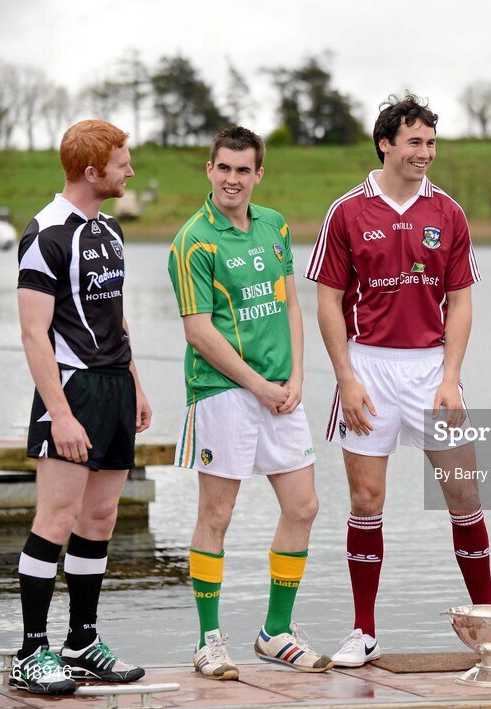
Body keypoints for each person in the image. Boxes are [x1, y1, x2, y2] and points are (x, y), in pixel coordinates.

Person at [307, 93, 491, 668]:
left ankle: (488, 624)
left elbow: (460, 302)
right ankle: (363, 631)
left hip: (431, 369)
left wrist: (452, 377)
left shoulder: (449, 213)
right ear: (385, 144)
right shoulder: (347, 212)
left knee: (464, 494)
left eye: (431, 143)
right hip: (368, 368)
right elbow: (328, 302)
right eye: (415, 142)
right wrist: (346, 378)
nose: (425, 153)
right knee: (367, 500)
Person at [167, 126, 331, 680]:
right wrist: (257, 385)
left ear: (258, 174)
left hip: (281, 392)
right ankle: (209, 641)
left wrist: (299, 374)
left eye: (244, 170)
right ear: (209, 170)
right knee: (217, 514)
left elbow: (288, 304)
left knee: (303, 506)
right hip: (222, 394)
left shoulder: (275, 224)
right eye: (224, 168)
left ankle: (275, 633)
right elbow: (198, 332)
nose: (233, 179)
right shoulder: (193, 240)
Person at [13, 119, 150, 695]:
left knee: (100, 520)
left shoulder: (111, 229)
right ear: (92, 171)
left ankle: (82, 641)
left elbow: (114, 316)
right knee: (58, 518)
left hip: (114, 386)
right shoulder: (44, 234)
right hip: (70, 391)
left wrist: (136, 383)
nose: (130, 171)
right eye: (122, 163)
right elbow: (33, 334)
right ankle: (31, 652)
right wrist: (60, 414)